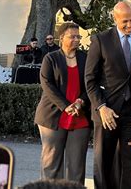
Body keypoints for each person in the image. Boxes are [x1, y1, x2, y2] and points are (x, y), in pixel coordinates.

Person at [85, 1, 131, 189]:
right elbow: (90, 79)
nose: (129, 24)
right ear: (114, 19)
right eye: (125, 21)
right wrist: (101, 107)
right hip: (107, 113)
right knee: (104, 163)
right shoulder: (100, 40)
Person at [35, 23, 91, 185]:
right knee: (51, 164)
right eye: (72, 36)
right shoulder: (51, 58)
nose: (76, 39)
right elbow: (47, 84)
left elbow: (91, 83)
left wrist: (81, 101)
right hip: (53, 116)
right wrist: (66, 106)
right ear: (61, 38)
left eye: (78, 36)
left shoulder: (85, 58)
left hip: (80, 116)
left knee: (76, 165)